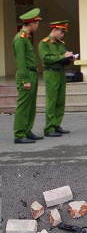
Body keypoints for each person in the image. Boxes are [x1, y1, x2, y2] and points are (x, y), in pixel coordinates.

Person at [39, 20, 75, 137]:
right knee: (52, 101)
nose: (62, 35)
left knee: (60, 100)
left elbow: (62, 60)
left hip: (60, 72)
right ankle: (49, 127)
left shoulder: (60, 44)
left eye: (63, 33)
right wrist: (62, 56)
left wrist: (69, 59)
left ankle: (56, 124)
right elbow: (46, 59)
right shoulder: (44, 43)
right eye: (61, 32)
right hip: (51, 73)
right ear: (54, 30)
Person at [13, 8, 42, 144]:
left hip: (32, 73)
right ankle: (19, 134)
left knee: (31, 106)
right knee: (24, 105)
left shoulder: (26, 38)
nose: (37, 26)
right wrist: (25, 79)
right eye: (37, 23)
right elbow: (20, 61)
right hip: (26, 74)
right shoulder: (20, 39)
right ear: (31, 24)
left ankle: (27, 130)